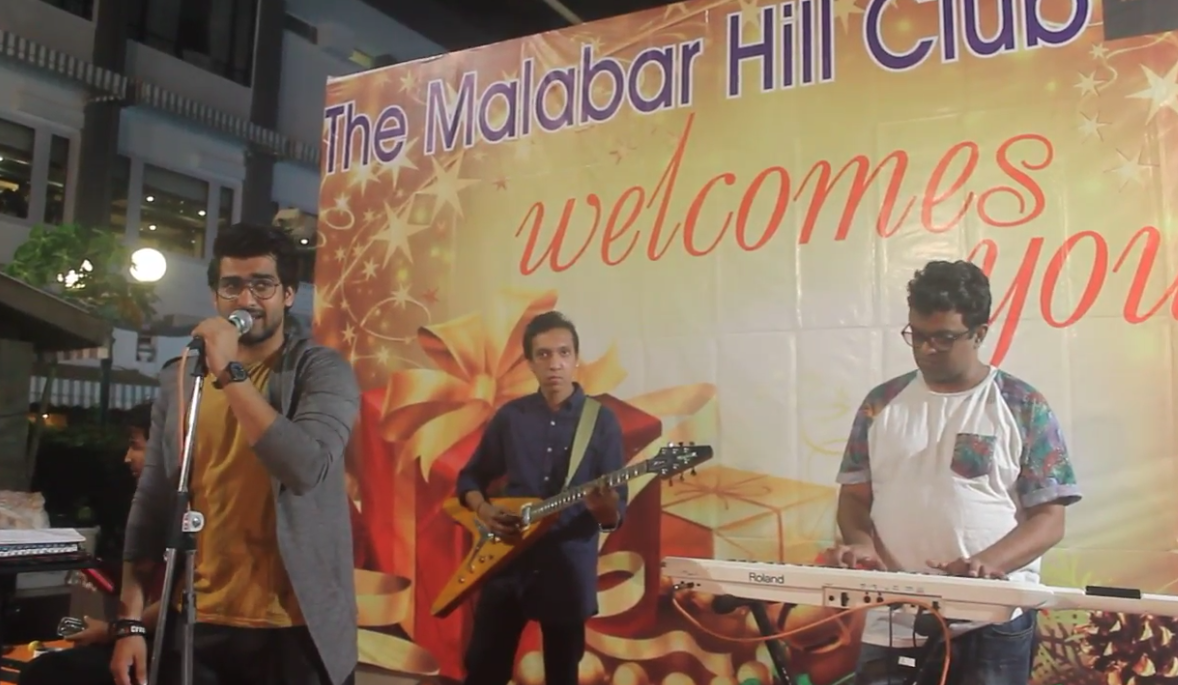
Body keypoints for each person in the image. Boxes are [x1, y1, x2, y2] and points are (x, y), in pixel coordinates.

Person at [110, 223, 361, 685]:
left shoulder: (320, 371)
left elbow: (305, 468)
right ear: (215, 296)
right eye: (232, 286)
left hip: (292, 628)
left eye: (262, 285)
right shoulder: (181, 378)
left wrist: (229, 371)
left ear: (288, 294)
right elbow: (153, 500)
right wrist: (129, 622)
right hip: (197, 621)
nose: (246, 299)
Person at [827, 260, 1082, 685]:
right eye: (917, 335)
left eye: (943, 338)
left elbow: (1049, 520)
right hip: (895, 617)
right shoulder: (880, 403)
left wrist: (985, 565)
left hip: (992, 621)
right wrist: (860, 544)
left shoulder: (1022, 405)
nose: (927, 349)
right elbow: (854, 498)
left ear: (979, 334)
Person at [454, 311, 627, 685]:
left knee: (562, 675)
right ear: (530, 363)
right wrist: (484, 509)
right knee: (483, 669)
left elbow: (615, 514)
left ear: (576, 359)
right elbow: (470, 477)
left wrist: (604, 509)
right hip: (506, 561)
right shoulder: (510, 417)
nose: (555, 363)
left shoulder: (602, 422)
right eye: (544, 354)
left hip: (566, 571)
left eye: (564, 353)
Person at [19, 402, 162, 685]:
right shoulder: (150, 509)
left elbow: (177, 603)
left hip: (164, 648)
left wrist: (112, 630)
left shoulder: (190, 512)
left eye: (135, 445)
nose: (126, 458)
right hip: (139, 637)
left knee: (44, 673)